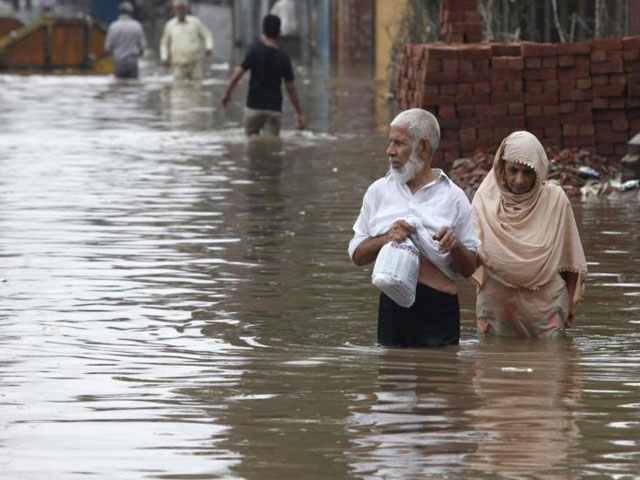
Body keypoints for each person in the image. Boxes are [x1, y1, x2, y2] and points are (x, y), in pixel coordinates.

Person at [348, 108, 479, 348]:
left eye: (399, 143)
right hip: (391, 308)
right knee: (392, 376)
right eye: (390, 142)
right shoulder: (378, 191)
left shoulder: (454, 197)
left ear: (424, 148)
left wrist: (455, 246)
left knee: (440, 380)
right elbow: (356, 255)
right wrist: (386, 238)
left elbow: (470, 268)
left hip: (439, 309)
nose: (390, 151)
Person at [472, 131, 587, 339]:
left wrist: (569, 305)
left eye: (528, 172)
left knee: (550, 368)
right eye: (513, 170)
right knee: (491, 367)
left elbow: (570, 261)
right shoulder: (484, 200)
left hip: (545, 309)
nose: (519, 180)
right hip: (496, 311)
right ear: (501, 169)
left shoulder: (555, 200)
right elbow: (469, 257)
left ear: (540, 171)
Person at [221, 14, 305, 136]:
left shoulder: (254, 52)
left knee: (251, 144)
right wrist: (299, 113)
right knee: (273, 147)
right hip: (274, 110)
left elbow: (237, 75)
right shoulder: (283, 57)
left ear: (263, 31)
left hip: (254, 108)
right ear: (279, 32)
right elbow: (291, 88)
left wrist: (226, 93)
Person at [160, 0, 213, 81]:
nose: (180, 11)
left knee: (197, 87)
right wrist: (165, 58)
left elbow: (207, 35)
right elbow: (164, 44)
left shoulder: (195, 22)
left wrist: (209, 47)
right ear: (174, 10)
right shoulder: (170, 25)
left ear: (186, 9)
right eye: (178, 8)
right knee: (179, 88)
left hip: (195, 64)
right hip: (178, 65)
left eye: (182, 8)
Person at [104, 2, 146, 79]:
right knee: (133, 86)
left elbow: (108, 47)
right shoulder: (137, 26)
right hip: (132, 61)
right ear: (131, 12)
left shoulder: (113, 26)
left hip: (119, 62)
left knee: (119, 86)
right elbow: (142, 47)